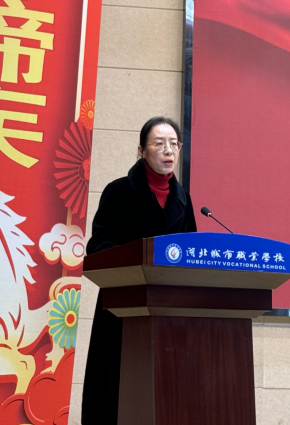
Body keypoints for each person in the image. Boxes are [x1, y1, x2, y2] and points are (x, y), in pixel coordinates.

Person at [81, 117, 197, 424]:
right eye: (158, 143)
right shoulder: (118, 192)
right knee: (116, 394)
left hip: (168, 312)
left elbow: (191, 255)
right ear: (141, 151)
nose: (168, 150)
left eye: (173, 144)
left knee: (160, 397)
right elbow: (98, 247)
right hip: (123, 309)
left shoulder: (184, 201)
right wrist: (137, 261)